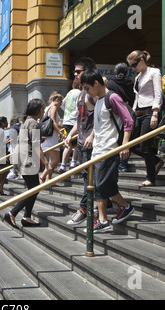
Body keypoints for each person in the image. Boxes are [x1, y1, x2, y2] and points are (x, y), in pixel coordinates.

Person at [80, 69, 135, 233]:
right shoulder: (98, 101)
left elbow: (128, 121)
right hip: (98, 149)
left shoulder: (113, 98)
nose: (86, 92)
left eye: (87, 88)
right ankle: (103, 220)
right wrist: (91, 136)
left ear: (96, 83)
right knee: (98, 186)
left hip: (110, 149)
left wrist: (125, 144)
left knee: (104, 185)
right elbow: (100, 125)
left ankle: (125, 206)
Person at [5, 99, 49, 228]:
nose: (44, 111)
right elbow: (36, 145)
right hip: (27, 159)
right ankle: (13, 212)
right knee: (34, 189)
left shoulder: (25, 122)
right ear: (37, 110)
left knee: (33, 188)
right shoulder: (34, 123)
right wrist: (46, 162)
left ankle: (27, 216)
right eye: (42, 109)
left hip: (21, 157)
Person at [65, 57, 97, 225]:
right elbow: (80, 119)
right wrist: (70, 135)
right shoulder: (80, 94)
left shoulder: (93, 92)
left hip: (93, 143)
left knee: (89, 178)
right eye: (74, 71)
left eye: (79, 71)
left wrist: (92, 136)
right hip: (82, 142)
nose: (75, 74)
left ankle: (84, 209)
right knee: (89, 177)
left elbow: (99, 117)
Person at [126, 51, 165, 187]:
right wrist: (131, 115)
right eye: (131, 65)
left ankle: (150, 177)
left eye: (134, 64)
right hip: (138, 114)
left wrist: (155, 112)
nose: (133, 68)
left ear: (142, 60)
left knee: (145, 145)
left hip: (149, 112)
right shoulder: (138, 77)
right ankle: (155, 161)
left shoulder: (154, 72)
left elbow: (158, 92)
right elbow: (137, 97)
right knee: (130, 144)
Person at [107, 63, 136, 173]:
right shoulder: (130, 83)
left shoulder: (111, 84)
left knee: (116, 138)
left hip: (115, 114)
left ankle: (116, 163)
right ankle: (123, 164)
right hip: (129, 112)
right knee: (126, 137)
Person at [40, 92, 64, 183]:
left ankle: (48, 179)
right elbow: (53, 121)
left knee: (52, 159)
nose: (61, 105)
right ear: (57, 100)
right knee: (55, 159)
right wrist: (60, 133)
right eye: (61, 102)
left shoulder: (47, 108)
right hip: (51, 137)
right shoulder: (53, 107)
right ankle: (42, 176)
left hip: (48, 136)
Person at [59, 80, 81, 173]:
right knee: (77, 143)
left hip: (67, 120)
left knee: (68, 143)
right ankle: (73, 163)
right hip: (75, 120)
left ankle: (63, 165)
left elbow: (62, 105)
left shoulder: (69, 93)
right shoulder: (80, 93)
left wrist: (67, 112)